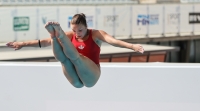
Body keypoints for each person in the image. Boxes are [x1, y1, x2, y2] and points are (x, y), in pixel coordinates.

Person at [6, 13, 144, 88]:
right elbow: (43, 42)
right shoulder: (71, 36)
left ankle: (57, 34)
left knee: (77, 58)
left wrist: (132, 47)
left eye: (80, 30)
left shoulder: (96, 34)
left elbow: (114, 42)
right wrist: (22, 44)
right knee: (63, 60)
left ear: (86, 26)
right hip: (75, 80)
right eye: (74, 30)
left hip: (91, 76)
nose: (77, 33)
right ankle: (54, 36)